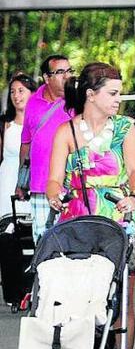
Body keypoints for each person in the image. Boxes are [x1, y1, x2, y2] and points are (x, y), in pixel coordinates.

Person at [45, 62, 135, 349]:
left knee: (121, 302)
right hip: (80, 223)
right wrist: (55, 194)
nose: (119, 99)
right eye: (113, 93)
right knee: (82, 300)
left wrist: (134, 194)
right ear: (91, 94)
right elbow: (54, 178)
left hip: (119, 221)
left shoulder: (125, 128)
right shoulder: (67, 132)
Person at [18, 55, 74, 241]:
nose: (67, 76)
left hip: (72, 187)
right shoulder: (33, 102)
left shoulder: (78, 101)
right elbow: (26, 142)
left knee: (74, 244)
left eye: (69, 71)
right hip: (41, 187)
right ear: (46, 77)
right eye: (60, 72)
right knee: (43, 243)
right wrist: (21, 181)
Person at [0, 73, 36, 216]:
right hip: (6, 182)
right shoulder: (4, 125)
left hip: (32, 183)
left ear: (32, 94)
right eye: (13, 92)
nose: (16, 96)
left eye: (21, 91)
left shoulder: (39, 125)